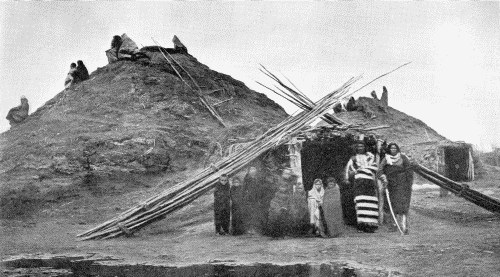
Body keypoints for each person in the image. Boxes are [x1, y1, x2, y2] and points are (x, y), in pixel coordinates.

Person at [378, 143, 414, 234]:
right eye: (391, 148)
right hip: (391, 185)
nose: (393, 150)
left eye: (394, 148)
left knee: (403, 205)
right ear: (389, 150)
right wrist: (384, 178)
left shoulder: (403, 158)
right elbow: (380, 170)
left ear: (397, 149)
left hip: (402, 185)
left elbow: (409, 170)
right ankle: (393, 225)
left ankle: (404, 226)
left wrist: (407, 182)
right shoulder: (386, 159)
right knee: (391, 205)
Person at [345, 141, 379, 233]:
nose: (360, 148)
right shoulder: (353, 158)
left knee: (371, 202)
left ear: (365, 148)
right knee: (360, 202)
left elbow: (374, 167)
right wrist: (358, 171)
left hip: (369, 182)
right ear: (356, 148)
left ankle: (371, 225)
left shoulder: (370, 157)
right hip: (359, 182)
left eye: (362, 146)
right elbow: (350, 171)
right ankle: (362, 225)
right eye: (358, 146)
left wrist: (361, 170)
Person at [243, 166, 263, 233]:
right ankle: (249, 228)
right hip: (249, 198)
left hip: (256, 198)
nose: (253, 170)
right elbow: (244, 188)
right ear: (249, 171)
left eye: (254, 169)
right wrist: (246, 195)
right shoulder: (246, 178)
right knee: (249, 213)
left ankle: (254, 228)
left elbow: (260, 188)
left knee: (255, 213)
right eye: (251, 169)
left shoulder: (258, 178)